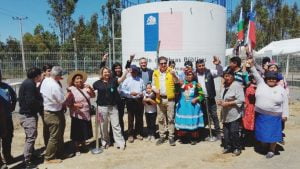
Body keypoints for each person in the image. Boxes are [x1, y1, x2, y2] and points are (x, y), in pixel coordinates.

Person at [248, 58, 289, 158]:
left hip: (275, 117)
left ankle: (271, 150)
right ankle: (264, 146)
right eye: (269, 78)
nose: (271, 80)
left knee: (273, 134)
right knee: (262, 133)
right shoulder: (261, 84)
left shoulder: (281, 90)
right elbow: (256, 74)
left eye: (273, 79)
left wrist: (285, 114)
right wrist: (251, 64)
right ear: (266, 79)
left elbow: (285, 103)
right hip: (261, 116)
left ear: (276, 80)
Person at [93, 66, 128, 150]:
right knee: (103, 125)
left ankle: (120, 142)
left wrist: (126, 71)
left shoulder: (113, 81)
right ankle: (105, 142)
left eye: (108, 72)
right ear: (101, 73)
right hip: (101, 108)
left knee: (116, 125)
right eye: (105, 72)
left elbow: (121, 79)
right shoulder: (97, 83)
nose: (107, 73)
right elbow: (92, 93)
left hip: (113, 107)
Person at [65, 71, 95, 156]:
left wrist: (91, 88)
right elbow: (67, 103)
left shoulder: (86, 87)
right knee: (77, 132)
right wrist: (75, 104)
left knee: (85, 130)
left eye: (80, 78)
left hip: (86, 113)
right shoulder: (71, 89)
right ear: (73, 81)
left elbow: (93, 96)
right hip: (77, 114)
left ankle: (84, 144)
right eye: (77, 78)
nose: (79, 80)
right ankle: (76, 148)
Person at [40, 66, 66, 163]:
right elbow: (61, 100)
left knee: (55, 134)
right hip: (53, 113)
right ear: (58, 76)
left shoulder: (46, 81)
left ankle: (58, 152)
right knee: (54, 136)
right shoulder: (54, 86)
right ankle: (49, 157)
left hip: (48, 110)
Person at [18, 67, 43, 168]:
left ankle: (31, 155)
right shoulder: (29, 85)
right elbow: (30, 101)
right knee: (31, 137)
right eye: (40, 75)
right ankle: (27, 161)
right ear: (37, 76)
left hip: (28, 114)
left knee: (31, 136)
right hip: (28, 115)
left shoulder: (29, 83)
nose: (41, 76)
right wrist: (41, 104)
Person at [152, 56, 179, 146]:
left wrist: (174, 74)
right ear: (159, 64)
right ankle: (162, 136)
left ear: (167, 63)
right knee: (160, 119)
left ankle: (171, 137)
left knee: (171, 118)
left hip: (170, 99)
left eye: (165, 63)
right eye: (161, 63)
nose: (163, 65)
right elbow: (152, 85)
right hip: (160, 99)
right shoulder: (155, 73)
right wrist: (154, 89)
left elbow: (177, 82)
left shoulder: (171, 71)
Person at [217, 69, 245, 156]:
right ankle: (228, 146)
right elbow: (223, 97)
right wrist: (221, 101)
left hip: (234, 114)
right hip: (226, 114)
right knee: (226, 133)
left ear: (233, 76)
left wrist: (229, 103)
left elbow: (241, 100)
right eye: (225, 76)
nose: (227, 77)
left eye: (229, 76)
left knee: (234, 131)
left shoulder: (237, 85)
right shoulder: (224, 85)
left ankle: (237, 148)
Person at [195, 57, 223, 139]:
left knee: (214, 115)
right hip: (200, 99)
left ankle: (217, 133)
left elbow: (220, 72)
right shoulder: (194, 74)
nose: (201, 67)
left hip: (210, 98)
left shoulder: (210, 72)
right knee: (203, 116)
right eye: (199, 66)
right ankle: (203, 133)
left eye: (202, 65)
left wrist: (217, 64)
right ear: (196, 67)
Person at [175, 70, 205, 145]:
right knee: (183, 121)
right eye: (187, 75)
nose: (189, 76)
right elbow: (176, 91)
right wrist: (177, 85)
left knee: (192, 122)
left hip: (192, 107)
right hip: (183, 106)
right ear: (185, 76)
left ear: (193, 76)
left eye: (190, 75)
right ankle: (184, 138)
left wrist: (196, 99)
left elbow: (202, 95)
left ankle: (193, 138)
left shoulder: (197, 85)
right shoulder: (181, 83)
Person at [121, 65, 145, 143]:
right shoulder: (127, 80)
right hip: (130, 100)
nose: (133, 72)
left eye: (135, 71)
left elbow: (144, 90)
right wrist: (130, 93)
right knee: (130, 118)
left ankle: (138, 133)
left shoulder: (140, 80)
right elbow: (123, 91)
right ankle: (130, 135)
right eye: (132, 71)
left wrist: (142, 93)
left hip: (139, 100)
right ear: (130, 72)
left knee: (139, 118)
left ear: (137, 72)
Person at [0, 70, 17, 164]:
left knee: (8, 138)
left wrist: (13, 106)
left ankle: (7, 157)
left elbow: (14, 97)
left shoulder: (6, 87)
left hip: (7, 118)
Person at [38, 63, 53, 147]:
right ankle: (47, 145)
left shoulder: (53, 80)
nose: (50, 72)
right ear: (44, 72)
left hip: (53, 107)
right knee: (47, 127)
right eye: (48, 71)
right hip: (44, 108)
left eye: (51, 70)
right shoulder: (41, 81)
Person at [242, 74, 256, 146]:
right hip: (250, 109)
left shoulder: (250, 87)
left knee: (249, 124)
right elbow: (252, 100)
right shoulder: (251, 88)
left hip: (249, 108)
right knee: (249, 124)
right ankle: (249, 141)